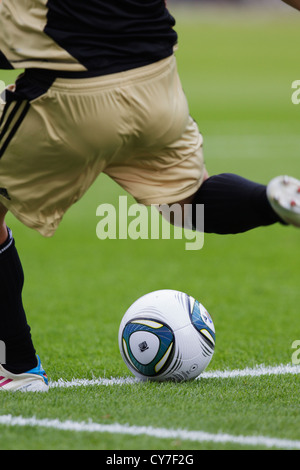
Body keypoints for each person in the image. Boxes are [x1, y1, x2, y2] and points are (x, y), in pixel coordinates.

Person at [0, 0, 299, 392]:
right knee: (188, 201)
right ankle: (273, 199)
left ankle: (18, 370)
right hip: (157, 87)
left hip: (73, 93)